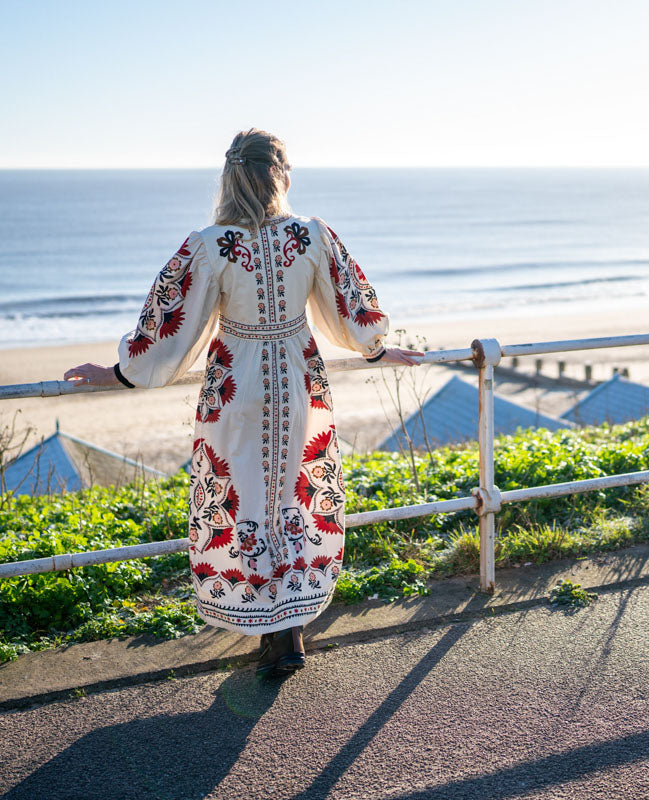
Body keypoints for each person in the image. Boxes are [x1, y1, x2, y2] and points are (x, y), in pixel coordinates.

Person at [64, 129, 423, 678]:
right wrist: (377, 349)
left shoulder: (209, 244)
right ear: (282, 173)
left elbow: (168, 328)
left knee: (245, 499)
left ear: (229, 177)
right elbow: (350, 307)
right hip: (300, 382)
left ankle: (269, 630)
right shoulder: (311, 235)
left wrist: (119, 373)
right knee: (292, 496)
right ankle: (290, 631)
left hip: (236, 387)